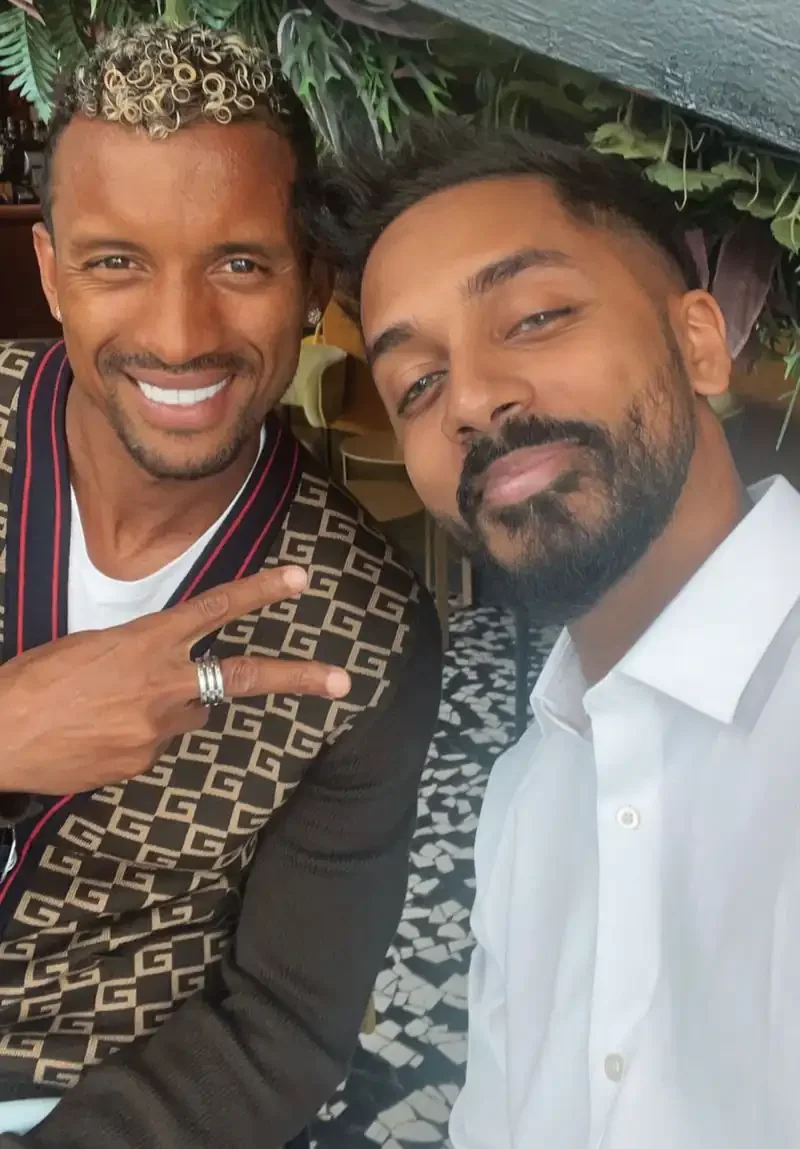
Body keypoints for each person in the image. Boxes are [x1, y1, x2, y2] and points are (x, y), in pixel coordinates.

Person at [315, 117, 800, 1149]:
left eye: (532, 317)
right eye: (415, 383)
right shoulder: (526, 793)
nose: (473, 399)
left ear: (698, 340)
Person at [0, 23, 441, 1149]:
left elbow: (281, 1025)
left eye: (239, 264)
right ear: (52, 275)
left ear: (311, 284)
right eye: (116, 262)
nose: (179, 335)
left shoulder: (365, 633)